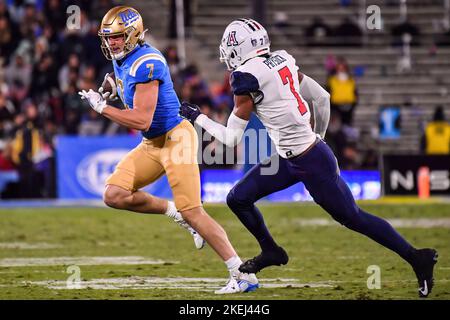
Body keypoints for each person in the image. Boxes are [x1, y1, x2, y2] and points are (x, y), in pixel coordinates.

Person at [180, 18, 438, 298]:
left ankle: (417, 257)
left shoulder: (246, 77)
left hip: (310, 162)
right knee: (237, 198)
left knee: (353, 218)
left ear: (240, 47)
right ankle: (271, 250)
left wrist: (198, 117)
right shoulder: (281, 60)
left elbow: (231, 138)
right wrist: (319, 138)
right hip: (296, 157)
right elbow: (323, 98)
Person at [78, 6, 258, 294]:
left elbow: (142, 118)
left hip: (176, 139)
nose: (112, 43)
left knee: (194, 211)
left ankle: (242, 274)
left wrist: (103, 108)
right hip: (153, 143)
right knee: (114, 194)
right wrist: (110, 88)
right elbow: (123, 81)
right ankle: (175, 214)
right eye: (108, 37)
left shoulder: (148, 62)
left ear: (133, 34)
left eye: (118, 37)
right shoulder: (125, 57)